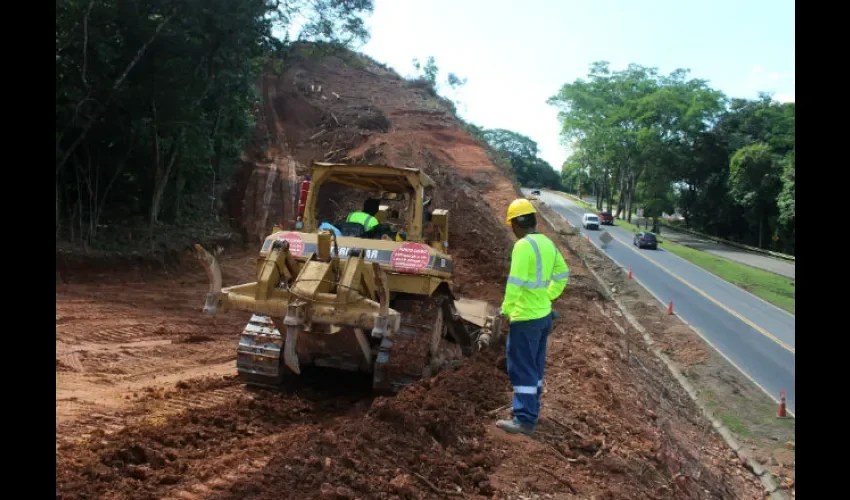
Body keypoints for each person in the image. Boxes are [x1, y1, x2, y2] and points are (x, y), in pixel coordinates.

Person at [496, 198, 569, 436]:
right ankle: (530, 409)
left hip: (525, 318)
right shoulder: (548, 244)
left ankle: (524, 419)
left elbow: (514, 283)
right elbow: (562, 273)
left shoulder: (522, 246)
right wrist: (548, 297)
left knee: (521, 367)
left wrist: (505, 310)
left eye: (512, 225)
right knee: (535, 368)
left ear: (517, 223)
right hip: (543, 317)